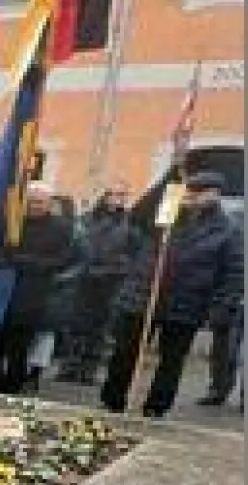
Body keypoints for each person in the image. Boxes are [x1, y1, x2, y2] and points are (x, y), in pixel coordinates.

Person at [101, 170, 243, 417]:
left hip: (187, 302)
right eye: (191, 191)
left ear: (215, 195)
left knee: (172, 360)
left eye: (202, 192)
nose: (195, 197)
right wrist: (171, 179)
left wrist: (222, 305)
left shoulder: (226, 229)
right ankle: (113, 399)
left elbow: (234, 270)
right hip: (144, 294)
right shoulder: (166, 214)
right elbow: (138, 215)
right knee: (125, 350)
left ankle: (156, 406)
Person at [0, 182, 76, 394]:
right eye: (31, 201)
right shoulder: (14, 222)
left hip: (36, 291)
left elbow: (63, 259)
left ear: (49, 203)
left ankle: (14, 382)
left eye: (39, 202)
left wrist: (29, 263)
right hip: (8, 288)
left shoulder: (61, 228)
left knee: (21, 343)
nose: (34, 206)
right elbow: (1, 251)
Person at [58, 185, 139, 384]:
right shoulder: (86, 219)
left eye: (122, 195)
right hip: (84, 278)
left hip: (112, 280)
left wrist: (120, 267)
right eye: (115, 195)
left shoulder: (130, 224)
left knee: (100, 328)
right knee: (76, 325)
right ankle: (69, 366)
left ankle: (88, 370)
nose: (118, 199)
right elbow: (75, 244)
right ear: (105, 196)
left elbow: (134, 252)